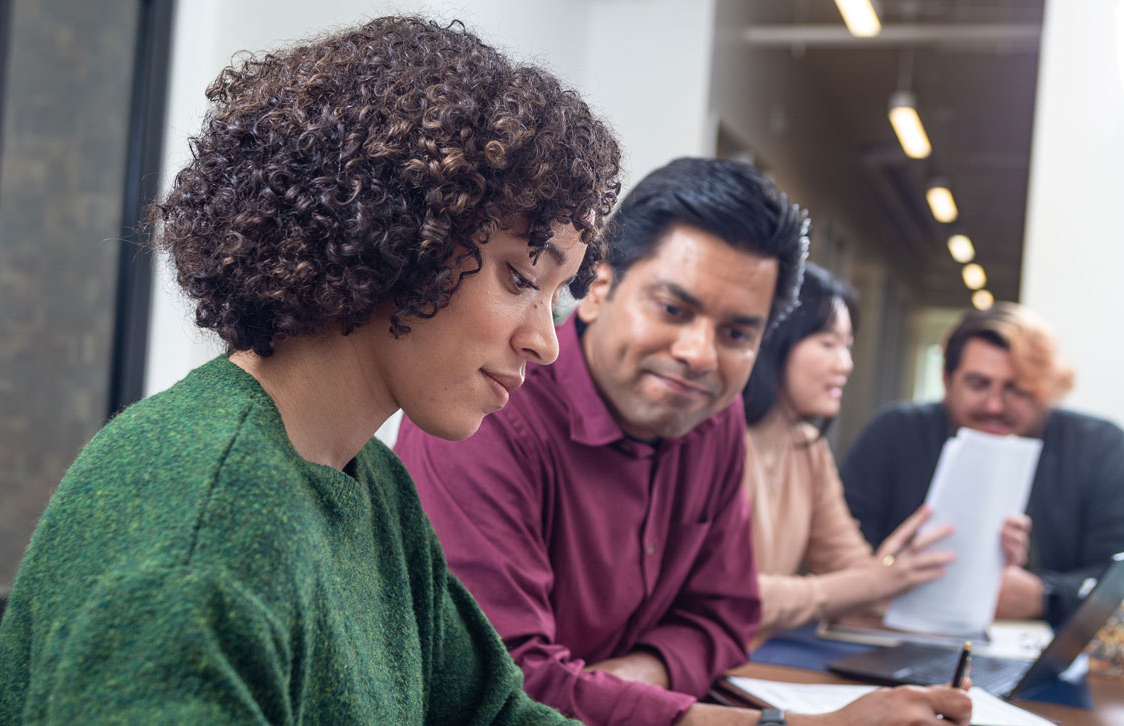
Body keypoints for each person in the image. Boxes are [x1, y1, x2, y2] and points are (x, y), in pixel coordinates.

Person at [0, 16, 625, 724]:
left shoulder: (373, 485)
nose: (545, 343)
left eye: (556, 299)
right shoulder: (198, 526)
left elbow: (492, 714)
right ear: (399, 231)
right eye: (523, 277)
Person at [396, 158, 972, 725]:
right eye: (673, 309)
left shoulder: (711, 417)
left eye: (737, 333)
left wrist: (633, 678)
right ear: (598, 286)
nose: (699, 355)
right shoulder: (490, 408)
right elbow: (509, 688)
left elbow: (727, 615)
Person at [740, 266, 1029, 635]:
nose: (845, 365)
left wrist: (978, 563)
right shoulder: (717, 440)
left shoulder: (806, 448)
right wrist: (874, 581)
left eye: (847, 346)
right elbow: (731, 596)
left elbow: (852, 571)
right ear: (774, 341)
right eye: (828, 344)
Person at [842, 301, 1124, 627]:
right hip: (894, 633)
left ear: (1044, 389)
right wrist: (890, 572)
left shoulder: (1099, 446)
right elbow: (841, 552)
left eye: (1017, 390)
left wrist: (1044, 596)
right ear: (947, 379)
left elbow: (1115, 574)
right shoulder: (893, 433)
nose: (994, 405)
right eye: (978, 384)